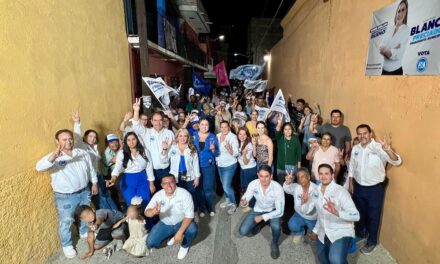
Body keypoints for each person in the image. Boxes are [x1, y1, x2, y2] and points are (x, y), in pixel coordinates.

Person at [36, 129, 98, 258]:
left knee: (85, 214)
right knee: (66, 221)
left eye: (70, 138)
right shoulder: (54, 157)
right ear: (57, 141)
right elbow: (39, 167)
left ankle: (83, 232)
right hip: (65, 197)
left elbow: (91, 169)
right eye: (64, 139)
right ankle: (67, 245)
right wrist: (53, 157)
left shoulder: (81, 152)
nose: (68, 141)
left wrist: (94, 183)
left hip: (84, 191)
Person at [348, 124, 402, 255]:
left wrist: (388, 150)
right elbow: (352, 167)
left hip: (375, 189)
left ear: (370, 133)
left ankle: (372, 242)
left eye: (365, 133)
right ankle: (361, 233)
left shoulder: (379, 148)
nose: (362, 136)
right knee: (359, 213)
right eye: (359, 134)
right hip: (359, 187)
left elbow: (397, 161)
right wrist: (351, 183)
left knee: (373, 216)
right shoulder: (356, 148)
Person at [303, 164, 360, 264]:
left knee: (335, 259)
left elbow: (356, 215)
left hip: (340, 231)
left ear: (332, 175)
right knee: (323, 259)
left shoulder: (341, 191)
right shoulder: (315, 191)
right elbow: (310, 212)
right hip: (323, 231)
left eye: (326, 173)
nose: (323, 176)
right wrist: (305, 202)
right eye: (321, 173)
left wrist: (337, 213)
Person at [145, 175, 198, 260]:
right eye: (165, 183)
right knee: (150, 243)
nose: (168, 185)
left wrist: (180, 233)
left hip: (181, 221)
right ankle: (171, 236)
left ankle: (185, 245)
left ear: (175, 182)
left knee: (192, 229)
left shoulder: (184, 194)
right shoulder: (158, 195)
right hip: (165, 223)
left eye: (171, 182)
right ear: (162, 185)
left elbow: (190, 215)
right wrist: (153, 211)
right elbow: (147, 212)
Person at [72, 112, 118, 210]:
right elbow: (77, 137)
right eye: (90, 136)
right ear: (85, 137)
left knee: (106, 196)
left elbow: (97, 165)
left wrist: (102, 178)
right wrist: (77, 123)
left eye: (94, 137)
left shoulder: (95, 148)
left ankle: (116, 215)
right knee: (100, 198)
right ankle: (107, 219)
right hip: (90, 178)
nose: (93, 139)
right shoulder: (82, 147)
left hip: (98, 176)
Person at [239, 165, 285, 259]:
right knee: (242, 231)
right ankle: (260, 225)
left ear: (271, 176)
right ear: (258, 175)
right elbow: (246, 197)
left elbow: (280, 211)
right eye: (261, 176)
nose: (263, 179)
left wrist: (262, 217)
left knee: (276, 227)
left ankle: (274, 243)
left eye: (266, 176)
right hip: (258, 209)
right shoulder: (253, 184)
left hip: (273, 210)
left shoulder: (278, 188)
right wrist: (244, 201)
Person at [132, 98, 174, 190]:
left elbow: (173, 152)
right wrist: (136, 111)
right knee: (154, 194)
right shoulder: (146, 132)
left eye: (160, 120)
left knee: (167, 192)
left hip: (166, 170)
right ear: (151, 121)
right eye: (155, 120)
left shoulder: (169, 133)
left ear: (163, 121)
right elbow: (136, 127)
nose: (158, 123)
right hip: (151, 171)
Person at [107, 132, 155, 208]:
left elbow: (149, 168)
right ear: (125, 141)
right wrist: (113, 179)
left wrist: (151, 184)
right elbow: (117, 167)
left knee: (145, 203)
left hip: (142, 180)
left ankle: (146, 220)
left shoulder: (145, 152)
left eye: (133, 139)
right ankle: (133, 220)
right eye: (128, 140)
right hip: (128, 181)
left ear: (137, 140)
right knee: (132, 205)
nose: (131, 142)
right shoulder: (122, 153)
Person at [161, 128, 200, 215]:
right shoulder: (172, 148)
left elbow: (195, 164)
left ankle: (194, 211)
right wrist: (164, 149)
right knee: (178, 194)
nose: (183, 138)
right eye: (180, 136)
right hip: (175, 176)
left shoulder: (192, 148)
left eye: (185, 136)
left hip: (189, 175)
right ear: (177, 137)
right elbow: (164, 161)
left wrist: (197, 177)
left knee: (191, 194)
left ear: (188, 137)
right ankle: (182, 213)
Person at [283, 168, 317, 244]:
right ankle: (300, 232)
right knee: (292, 225)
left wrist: (304, 203)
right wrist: (287, 183)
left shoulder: (316, 190)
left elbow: (308, 210)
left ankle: (312, 229)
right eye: (298, 178)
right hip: (299, 214)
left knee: (316, 236)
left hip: (312, 218)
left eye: (303, 177)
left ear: (308, 177)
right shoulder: (297, 187)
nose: (300, 180)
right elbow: (287, 189)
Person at [193, 118, 220, 216]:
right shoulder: (193, 136)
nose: (204, 127)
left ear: (209, 126)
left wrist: (213, 150)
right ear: (198, 125)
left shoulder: (213, 137)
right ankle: (202, 208)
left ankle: (210, 206)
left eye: (206, 125)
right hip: (195, 167)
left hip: (209, 167)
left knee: (208, 189)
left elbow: (217, 154)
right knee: (199, 190)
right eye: (202, 124)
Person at [380, 0, 409, 75]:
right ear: (396, 13)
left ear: (406, 12)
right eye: (399, 11)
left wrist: (387, 50)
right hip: (383, 71)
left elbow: (398, 54)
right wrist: (393, 48)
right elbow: (381, 47)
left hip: (396, 71)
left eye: (403, 10)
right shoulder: (390, 29)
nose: (400, 13)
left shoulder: (406, 29)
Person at [217, 121, 239, 214]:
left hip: (229, 165)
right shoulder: (217, 136)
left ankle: (234, 203)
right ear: (220, 128)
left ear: (229, 127)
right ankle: (228, 200)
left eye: (226, 127)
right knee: (224, 184)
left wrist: (230, 150)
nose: (224, 129)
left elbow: (236, 153)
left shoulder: (232, 137)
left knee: (226, 186)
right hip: (220, 164)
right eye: (222, 127)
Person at [275, 113, 302, 185]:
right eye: (285, 129)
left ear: (292, 130)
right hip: (281, 167)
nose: (287, 131)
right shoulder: (280, 138)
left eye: (289, 129)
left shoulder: (296, 140)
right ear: (283, 131)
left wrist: (299, 166)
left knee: (291, 186)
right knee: (281, 185)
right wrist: (279, 123)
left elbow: (299, 153)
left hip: (292, 167)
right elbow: (277, 131)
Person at [237, 126, 257, 212]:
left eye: (244, 134)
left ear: (247, 135)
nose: (242, 136)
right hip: (243, 169)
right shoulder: (239, 143)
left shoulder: (248, 145)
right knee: (245, 187)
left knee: (251, 188)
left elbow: (245, 162)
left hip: (249, 169)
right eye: (240, 134)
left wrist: (244, 154)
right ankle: (248, 202)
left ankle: (252, 206)